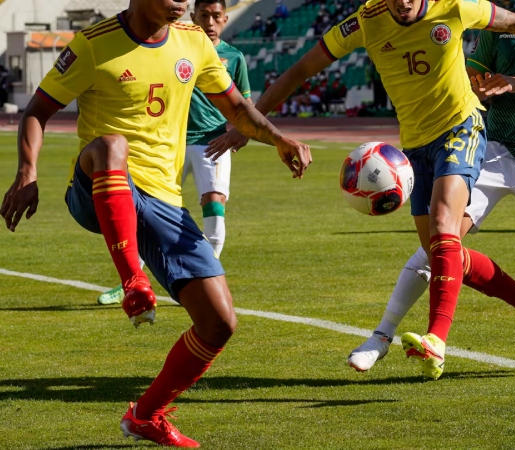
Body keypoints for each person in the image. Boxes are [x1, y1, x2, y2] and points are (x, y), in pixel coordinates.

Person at [208, 0, 515, 380]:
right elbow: (300, 70)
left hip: (464, 128)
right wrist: (249, 125)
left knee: (445, 223)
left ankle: (435, 341)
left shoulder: (455, 6)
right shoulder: (366, 19)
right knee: (441, 252)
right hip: (415, 145)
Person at [0, 0, 311, 447]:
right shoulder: (92, 44)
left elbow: (237, 107)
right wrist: (27, 172)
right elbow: (36, 111)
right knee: (111, 145)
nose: (183, 2)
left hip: (163, 203)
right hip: (97, 188)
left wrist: (278, 138)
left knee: (219, 321)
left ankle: (146, 415)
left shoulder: (194, 43)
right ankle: (133, 282)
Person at [347, 0, 515, 372]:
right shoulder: (502, 28)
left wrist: (513, 83)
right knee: (439, 243)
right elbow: (473, 77)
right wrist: (472, 87)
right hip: (491, 149)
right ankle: (381, 335)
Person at [96, 0, 253, 305]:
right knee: (146, 210)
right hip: (171, 143)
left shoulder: (234, 57)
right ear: (193, 16)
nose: (210, 22)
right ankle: (131, 280)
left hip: (213, 143)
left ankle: (206, 277)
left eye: (216, 16)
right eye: (204, 15)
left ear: (225, 19)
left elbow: (245, 106)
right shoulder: (179, 45)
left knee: (214, 202)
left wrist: (239, 133)